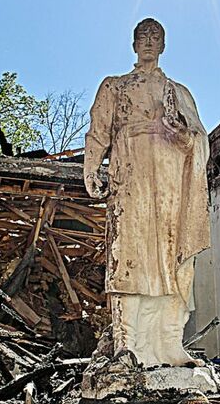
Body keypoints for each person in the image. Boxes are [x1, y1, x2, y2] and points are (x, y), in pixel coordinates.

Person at [83, 18, 210, 368]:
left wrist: (181, 132)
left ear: (164, 45)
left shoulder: (177, 92)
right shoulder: (116, 86)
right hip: (132, 176)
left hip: (169, 181)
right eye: (143, 37)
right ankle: (128, 343)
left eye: (156, 37)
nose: (149, 42)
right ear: (134, 44)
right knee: (129, 254)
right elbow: (98, 131)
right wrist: (91, 167)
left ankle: (169, 343)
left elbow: (199, 140)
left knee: (172, 258)